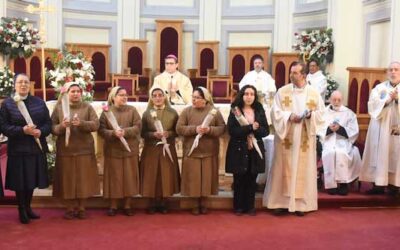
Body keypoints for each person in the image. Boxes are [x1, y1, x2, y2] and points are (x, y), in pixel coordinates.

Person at [263, 62, 325, 216]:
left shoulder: (314, 93)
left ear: (303, 75)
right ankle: (281, 203)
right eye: (291, 72)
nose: (291, 75)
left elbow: (322, 114)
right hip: (287, 135)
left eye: (295, 73)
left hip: (304, 136)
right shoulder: (282, 92)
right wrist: (289, 116)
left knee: (302, 170)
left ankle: (300, 205)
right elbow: (275, 112)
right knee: (283, 168)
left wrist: (310, 115)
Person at [0, 73, 52, 224]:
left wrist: (40, 131)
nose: (23, 85)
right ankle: (21, 208)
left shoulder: (39, 102)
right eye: (20, 82)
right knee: (20, 181)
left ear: (30, 85)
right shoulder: (8, 104)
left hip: (35, 148)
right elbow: (3, 127)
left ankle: (28, 207)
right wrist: (22, 130)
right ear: (15, 85)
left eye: (26, 82)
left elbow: (48, 123)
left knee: (31, 180)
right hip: (17, 149)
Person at [51, 82, 100, 219]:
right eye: (72, 91)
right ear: (67, 94)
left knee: (83, 180)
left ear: (81, 93)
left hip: (84, 149)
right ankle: (70, 208)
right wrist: (61, 126)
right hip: (66, 150)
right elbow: (52, 128)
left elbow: (96, 125)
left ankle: (82, 207)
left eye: (78, 91)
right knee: (68, 180)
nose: (75, 94)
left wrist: (82, 124)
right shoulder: (60, 108)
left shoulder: (87, 107)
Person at [176, 87, 225, 215]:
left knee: (206, 179)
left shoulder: (214, 112)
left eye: (197, 97)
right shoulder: (187, 111)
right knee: (194, 179)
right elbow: (179, 128)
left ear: (205, 99)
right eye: (193, 97)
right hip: (192, 150)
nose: (194, 100)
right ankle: (194, 203)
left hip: (209, 150)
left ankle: (204, 202)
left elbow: (221, 128)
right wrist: (195, 129)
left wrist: (209, 130)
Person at [226, 85, 269, 216]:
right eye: (246, 94)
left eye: (252, 94)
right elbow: (232, 130)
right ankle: (238, 206)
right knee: (239, 178)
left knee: (252, 178)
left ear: (255, 96)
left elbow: (265, 130)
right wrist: (250, 128)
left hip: (255, 149)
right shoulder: (235, 110)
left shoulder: (259, 109)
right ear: (242, 95)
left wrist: (255, 129)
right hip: (239, 148)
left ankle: (250, 206)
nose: (249, 97)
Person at [98, 86, 141, 216]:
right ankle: (113, 205)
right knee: (114, 178)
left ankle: (128, 205)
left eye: (126, 95)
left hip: (129, 149)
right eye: (121, 95)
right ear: (113, 97)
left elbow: (138, 126)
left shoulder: (132, 110)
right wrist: (113, 133)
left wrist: (125, 132)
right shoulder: (107, 112)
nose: (124, 97)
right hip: (113, 149)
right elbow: (101, 130)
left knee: (129, 177)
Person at [360, 61, 400, 196]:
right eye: (391, 70)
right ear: (387, 72)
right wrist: (388, 99)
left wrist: (398, 99)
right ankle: (378, 184)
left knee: (396, 154)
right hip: (381, 127)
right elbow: (372, 105)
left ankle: (395, 185)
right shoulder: (379, 88)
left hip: (396, 128)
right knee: (380, 153)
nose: (393, 72)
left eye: (396, 69)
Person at [140, 87, 180, 214]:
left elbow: (177, 131)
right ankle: (151, 202)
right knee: (152, 175)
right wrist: (152, 135)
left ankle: (164, 201)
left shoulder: (172, 112)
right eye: (155, 95)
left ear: (164, 97)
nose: (157, 98)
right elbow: (142, 132)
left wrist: (169, 133)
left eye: (160, 95)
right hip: (151, 149)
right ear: (151, 98)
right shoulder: (147, 114)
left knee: (165, 175)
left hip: (167, 148)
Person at [319, 90, 361, 195]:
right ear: (329, 100)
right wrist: (329, 129)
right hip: (328, 141)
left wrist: (340, 129)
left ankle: (343, 184)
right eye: (334, 99)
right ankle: (331, 185)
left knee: (341, 153)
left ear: (342, 100)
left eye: (339, 100)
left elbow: (354, 130)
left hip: (343, 141)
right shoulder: (323, 112)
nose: (336, 102)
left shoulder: (349, 113)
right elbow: (318, 128)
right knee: (330, 153)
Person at [239, 55, 276, 123]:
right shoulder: (249, 75)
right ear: (253, 64)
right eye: (255, 63)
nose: (257, 65)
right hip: (250, 101)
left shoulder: (267, 76)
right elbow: (241, 86)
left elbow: (272, 89)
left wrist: (266, 95)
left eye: (259, 63)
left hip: (263, 102)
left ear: (262, 64)